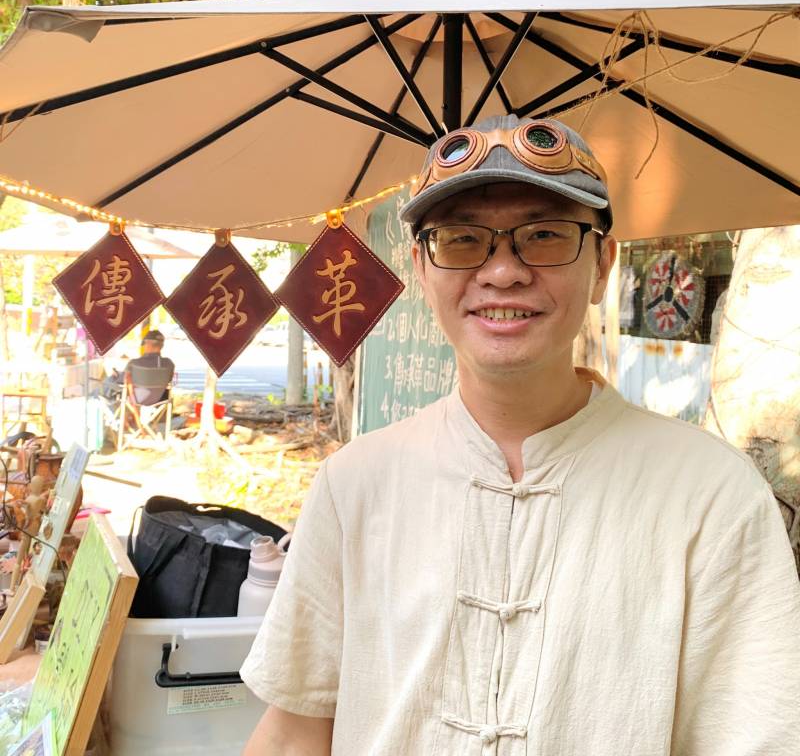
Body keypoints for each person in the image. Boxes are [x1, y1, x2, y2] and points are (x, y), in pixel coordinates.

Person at [240, 115, 800, 755]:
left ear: (602, 265)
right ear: (421, 269)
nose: (503, 272)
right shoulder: (354, 483)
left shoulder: (711, 495)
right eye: (461, 239)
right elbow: (295, 732)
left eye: (545, 235)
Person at [124, 329, 175, 405]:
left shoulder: (134, 363)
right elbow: (169, 380)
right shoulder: (169, 364)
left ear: (148, 343)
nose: (144, 347)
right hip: (160, 402)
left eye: (144, 344)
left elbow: (126, 380)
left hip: (137, 401)